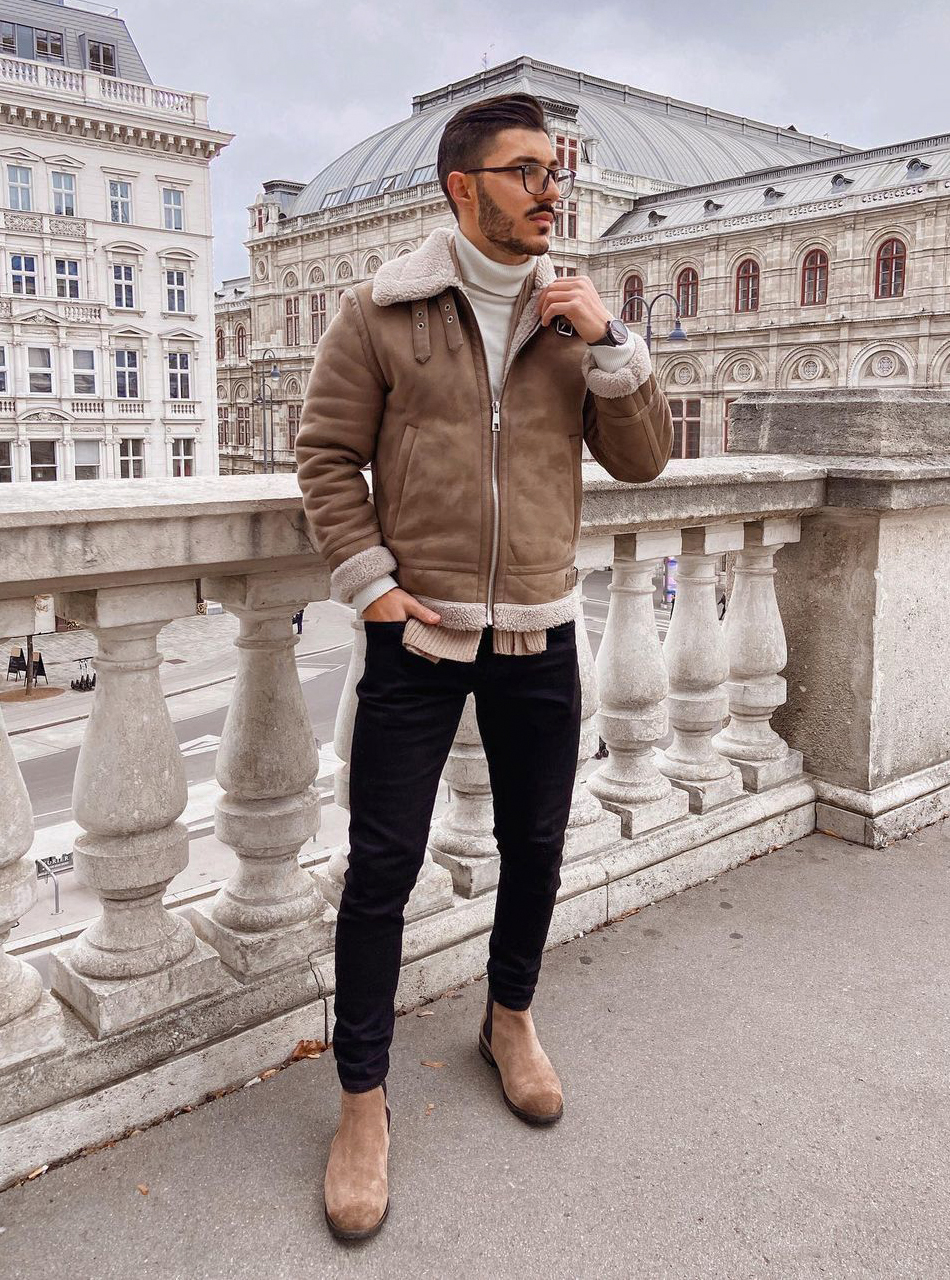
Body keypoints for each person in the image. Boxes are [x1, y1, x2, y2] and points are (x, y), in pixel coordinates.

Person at [295, 90, 674, 1241]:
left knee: (539, 844)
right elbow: (324, 457)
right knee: (381, 866)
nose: (548, 187)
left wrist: (609, 342)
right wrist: (371, 584)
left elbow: (645, 460)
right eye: (523, 170)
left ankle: (509, 1018)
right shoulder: (383, 308)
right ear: (463, 187)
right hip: (416, 634)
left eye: (552, 168)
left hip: (540, 631)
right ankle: (362, 1099)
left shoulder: (573, 315)